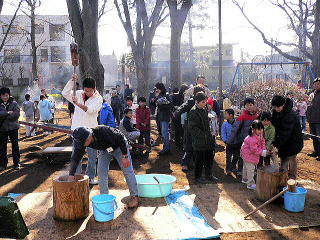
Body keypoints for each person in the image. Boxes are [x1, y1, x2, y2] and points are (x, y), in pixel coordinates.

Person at [68, 126, 139, 208]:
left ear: (89, 137)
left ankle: (135, 197)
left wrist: (125, 156)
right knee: (101, 172)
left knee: (127, 170)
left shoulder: (103, 131)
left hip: (119, 146)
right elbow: (75, 158)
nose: (82, 146)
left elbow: (120, 138)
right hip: (105, 149)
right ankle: (104, 198)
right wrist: (71, 174)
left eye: (83, 143)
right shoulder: (81, 142)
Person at [62, 73, 103, 185]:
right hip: (78, 131)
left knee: (92, 157)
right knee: (76, 156)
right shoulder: (79, 93)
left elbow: (90, 110)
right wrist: (72, 81)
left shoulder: (99, 99)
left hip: (91, 132)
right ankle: (76, 176)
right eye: (85, 90)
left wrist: (77, 103)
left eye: (89, 91)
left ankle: (90, 177)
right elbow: (64, 93)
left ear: (94, 89)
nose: (86, 93)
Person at [271, 95, 303, 179]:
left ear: (283, 104)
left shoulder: (290, 115)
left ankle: (292, 178)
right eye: (275, 107)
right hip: (284, 140)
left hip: (294, 141)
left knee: (291, 157)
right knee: (283, 157)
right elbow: (273, 124)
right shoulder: (276, 112)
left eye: (278, 106)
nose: (276, 109)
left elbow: (285, 132)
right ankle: (283, 175)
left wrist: (276, 143)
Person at [175, 85, 205, 171]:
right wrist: (176, 113)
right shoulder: (191, 101)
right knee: (189, 147)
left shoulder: (203, 103)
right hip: (190, 128)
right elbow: (182, 107)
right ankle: (185, 164)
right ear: (196, 94)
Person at [188, 92, 216, 184]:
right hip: (199, 141)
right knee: (199, 160)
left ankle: (209, 175)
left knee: (209, 158)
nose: (205, 104)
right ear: (197, 101)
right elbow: (193, 128)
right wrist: (203, 135)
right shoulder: (193, 112)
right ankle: (197, 177)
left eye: (205, 102)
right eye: (203, 102)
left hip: (207, 139)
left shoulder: (204, 109)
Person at [227, 98, 259, 176]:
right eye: (247, 105)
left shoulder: (257, 116)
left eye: (251, 105)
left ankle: (253, 171)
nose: (249, 107)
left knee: (254, 155)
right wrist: (229, 141)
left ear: (253, 105)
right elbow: (235, 129)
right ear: (244, 106)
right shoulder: (242, 116)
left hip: (255, 141)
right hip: (244, 141)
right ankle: (240, 171)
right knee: (242, 156)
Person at [240, 120, 267, 190]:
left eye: (261, 129)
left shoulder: (260, 135)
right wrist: (262, 152)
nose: (261, 131)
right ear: (253, 129)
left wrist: (263, 149)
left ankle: (245, 179)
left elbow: (263, 141)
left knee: (246, 168)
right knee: (250, 169)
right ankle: (250, 184)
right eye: (259, 129)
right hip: (248, 155)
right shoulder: (251, 139)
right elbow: (254, 150)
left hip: (247, 154)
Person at [0, 87, 20, 171]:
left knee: (15, 145)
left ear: (9, 95)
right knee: (2, 147)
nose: (5, 97)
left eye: (7, 95)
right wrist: (8, 113)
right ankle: (2, 164)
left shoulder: (14, 103)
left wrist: (4, 115)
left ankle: (16, 163)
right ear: (0, 96)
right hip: (2, 128)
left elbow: (16, 114)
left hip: (13, 128)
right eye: (3, 95)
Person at [221, 108, 240, 175]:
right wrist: (225, 140)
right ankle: (228, 169)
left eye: (226, 114)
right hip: (228, 143)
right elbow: (223, 133)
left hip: (236, 143)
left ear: (231, 115)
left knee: (236, 156)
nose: (224, 115)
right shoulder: (225, 124)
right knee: (228, 157)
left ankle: (233, 167)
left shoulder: (237, 123)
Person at [155, 82, 173, 155]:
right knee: (164, 133)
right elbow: (155, 105)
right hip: (161, 116)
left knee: (165, 133)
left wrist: (161, 106)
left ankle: (166, 149)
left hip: (165, 116)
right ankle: (166, 147)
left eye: (157, 88)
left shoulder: (166, 95)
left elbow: (170, 105)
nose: (156, 90)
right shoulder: (160, 95)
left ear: (160, 89)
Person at [306, 78, 320, 161]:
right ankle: (316, 151)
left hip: (319, 120)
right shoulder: (313, 94)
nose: (316, 85)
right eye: (315, 84)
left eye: (318, 84)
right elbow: (309, 105)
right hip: (312, 119)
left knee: (319, 137)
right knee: (314, 137)